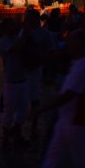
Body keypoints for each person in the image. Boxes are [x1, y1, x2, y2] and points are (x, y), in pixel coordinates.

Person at [36, 29, 85, 168]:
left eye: (71, 42)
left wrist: (41, 109)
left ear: (79, 45)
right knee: (53, 157)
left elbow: (68, 95)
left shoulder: (84, 66)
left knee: (83, 160)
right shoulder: (77, 63)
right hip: (67, 119)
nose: (68, 44)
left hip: (77, 122)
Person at [21, 9, 55, 139]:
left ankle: (34, 126)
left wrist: (41, 61)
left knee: (34, 98)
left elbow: (51, 52)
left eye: (28, 18)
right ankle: (19, 126)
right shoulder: (23, 33)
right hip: (24, 70)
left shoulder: (44, 34)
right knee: (23, 98)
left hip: (35, 70)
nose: (26, 21)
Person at [0, 18, 31, 151]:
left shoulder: (17, 38)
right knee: (9, 112)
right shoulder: (3, 42)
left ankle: (17, 135)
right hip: (11, 81)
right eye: (12, 25)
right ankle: (6, 139)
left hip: (22, 79)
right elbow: (14, 49)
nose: (14, 27)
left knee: (22, 110)